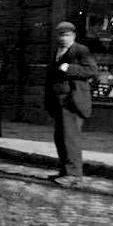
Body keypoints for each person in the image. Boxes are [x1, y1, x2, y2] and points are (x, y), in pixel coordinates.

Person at [45, 21, 98, 187]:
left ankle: (74, 175)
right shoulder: (57, 50)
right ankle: (64, 171)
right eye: (61, 35)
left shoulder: (80, 50)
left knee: (70, 138)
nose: (63, 38)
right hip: (58, 100)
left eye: (67, 35)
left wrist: (70, 68)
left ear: (73, 36)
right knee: (60, 138)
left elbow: (92, 70)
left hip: (72, 101)